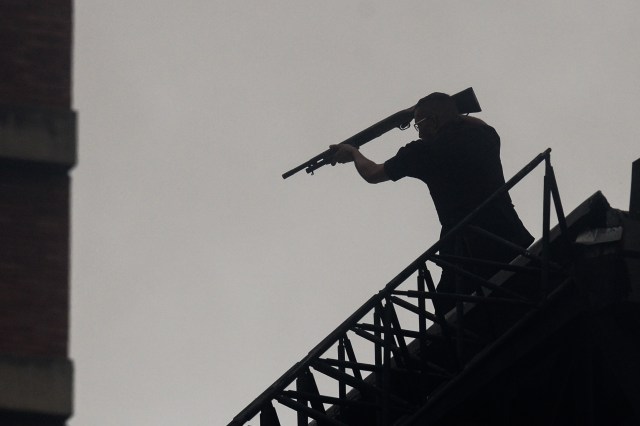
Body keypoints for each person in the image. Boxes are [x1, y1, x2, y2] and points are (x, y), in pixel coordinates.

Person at [329, 92, 534, 313]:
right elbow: (473, 122)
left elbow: (372, 173)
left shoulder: (423, 151)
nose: (419, 132)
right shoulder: (485, 135)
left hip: (465, 251)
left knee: (452, 320)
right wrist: (423, 112)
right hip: (510, 235)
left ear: (433, 121)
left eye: (419, 125)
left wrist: (353, 152)